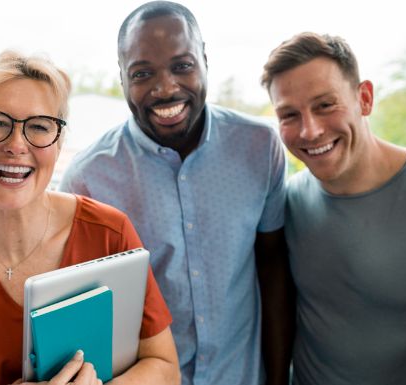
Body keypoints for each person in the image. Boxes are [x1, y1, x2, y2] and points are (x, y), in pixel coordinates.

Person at [58, 2, 294, 385]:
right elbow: (82, 316)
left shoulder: (259, 146)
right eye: (142, 73)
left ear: (204, 60)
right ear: (121, 78)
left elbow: (273, 269)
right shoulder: (88, 179)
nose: (165, 88)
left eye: (182, 66)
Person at [0, 50, 180, 385]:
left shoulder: (108, 232)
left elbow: (165, 367)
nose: (16, 144)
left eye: (39, 127)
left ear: (58, 143)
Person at [261, 32, 406, 385]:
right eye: (290, 114)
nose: (310, 130)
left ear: (364, 98)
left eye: (325, 105)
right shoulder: (285, 203)